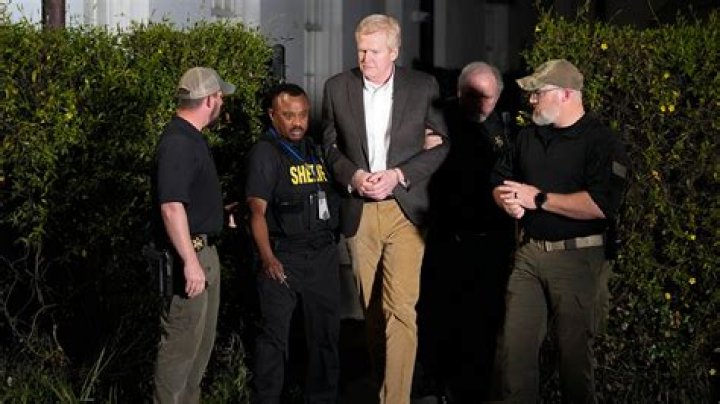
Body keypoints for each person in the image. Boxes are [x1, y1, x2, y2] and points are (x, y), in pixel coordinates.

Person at [321, 14, 449, 404]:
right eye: (361, 50)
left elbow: (442, 143)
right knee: (372, 312)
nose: (366, 59)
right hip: (360, 210)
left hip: (405, 210)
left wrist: (399, 175)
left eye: (374, 51)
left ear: (394, 51)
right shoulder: (337, 87)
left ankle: (396, 399)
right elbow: (329, 147)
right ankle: (385, 388)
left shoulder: (422, 86)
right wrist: (355, 177)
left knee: (401, 309)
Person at [490, 59, 628, 403]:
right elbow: (499, 180)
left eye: (538, 93)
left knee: (574, 361)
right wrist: (507, 202)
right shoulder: (527, 137)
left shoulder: (601, 141)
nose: (531, 100)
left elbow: (601, 205)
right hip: (529, 255)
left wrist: (538, 199)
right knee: (514, 356)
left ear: (566, 94)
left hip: (578, 258)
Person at [417, 61, 515, 402]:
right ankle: (435, 386)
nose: (479, 104)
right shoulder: (439, 118)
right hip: (445, 238)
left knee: (482, 322)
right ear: (458, 93)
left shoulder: (507, 126)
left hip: (489, 243)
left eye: (486, 97)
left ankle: (472, 392)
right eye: (471, 96)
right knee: (438, 317)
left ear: (498, 95)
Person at [245, 83, 341, 404]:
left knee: (325, 335)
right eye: (288, 115)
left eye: (302, 115)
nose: (297, 122)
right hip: (284, 255)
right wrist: (268, 258)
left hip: (322, 254)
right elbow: (256, 212)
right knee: (274, 339)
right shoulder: (266, 152)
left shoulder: (315, 149)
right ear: (272, 115)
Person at [152, 66, 235, 403]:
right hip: (191, 259)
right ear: (210, 100)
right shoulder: (178, 142)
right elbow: (171, 207)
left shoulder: (191, 138)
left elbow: (187, 203)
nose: (222, 103)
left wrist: (219, 216)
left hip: (203, 254)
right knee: (179, 354)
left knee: (197, 354)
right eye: (221, 98)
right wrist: (190, 262)